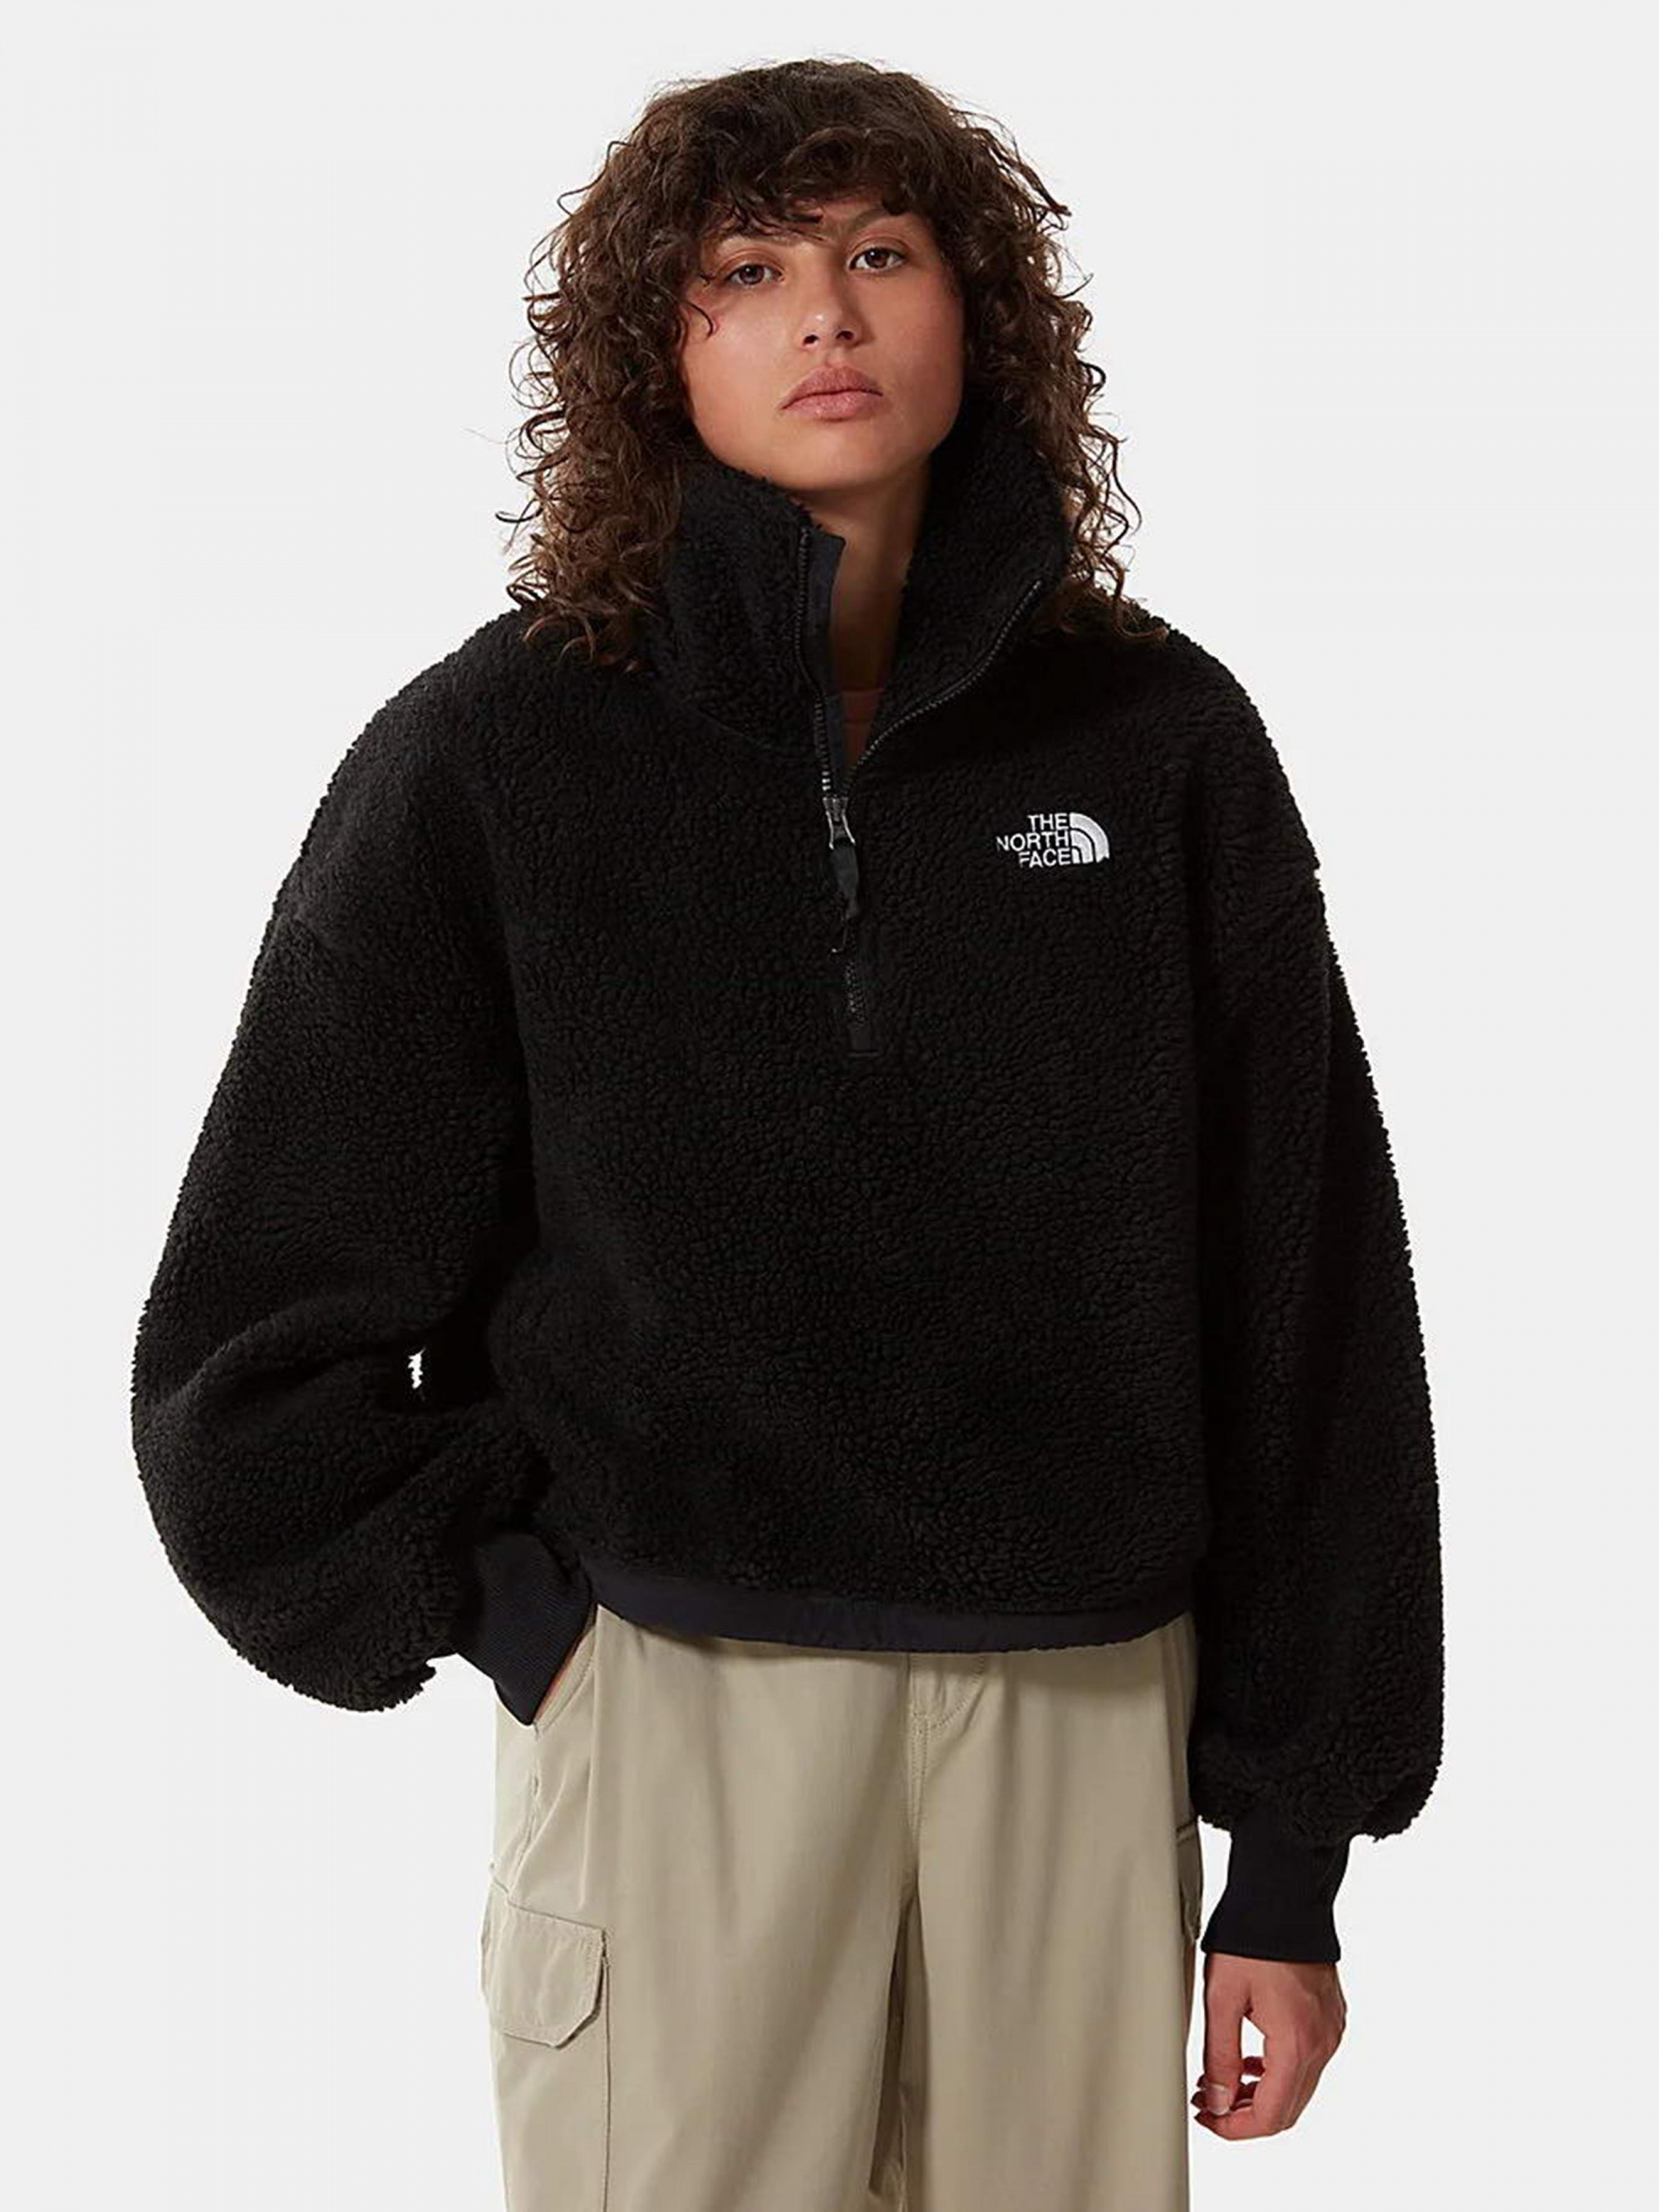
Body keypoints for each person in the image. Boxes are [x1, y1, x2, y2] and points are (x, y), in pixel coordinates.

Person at [129, 56, 1444, 2212]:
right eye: (745, 269)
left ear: (975, 308)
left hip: (1079, 1712)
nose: (824, 313)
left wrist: (1289, 1857)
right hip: (678, 1715)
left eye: (879, 252)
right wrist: (521, 1614)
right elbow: (255, 1325)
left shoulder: (1157, 743)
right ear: (655, 347)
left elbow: (1307, 1302)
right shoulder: (497, 755)